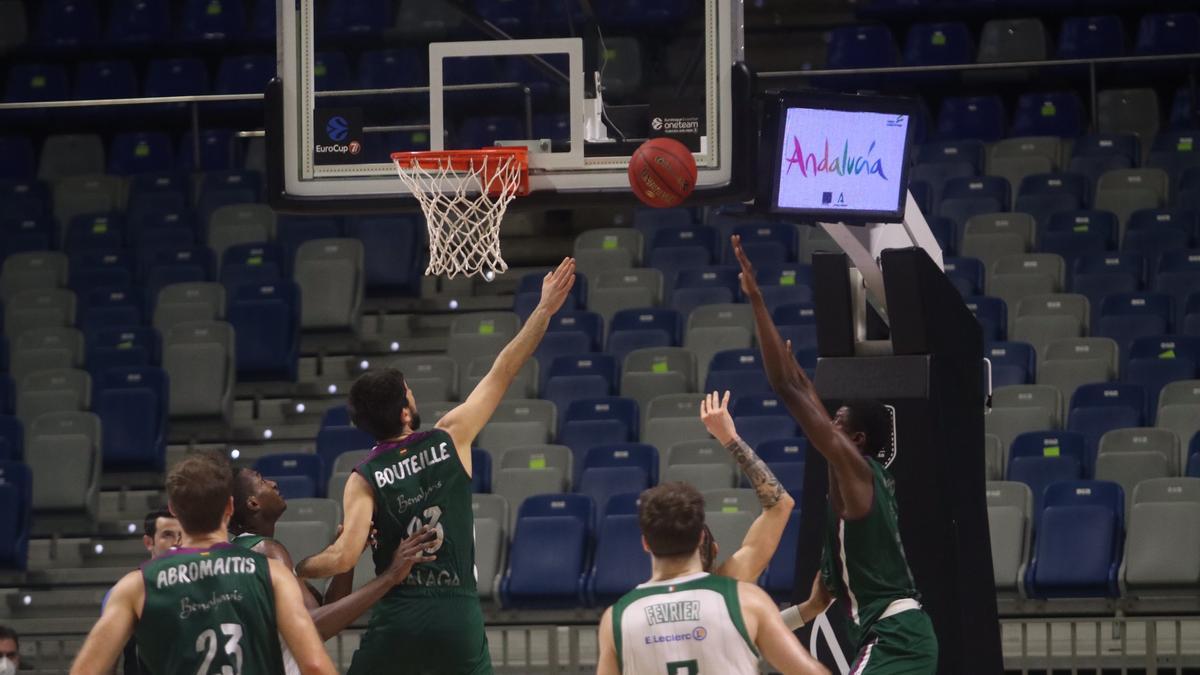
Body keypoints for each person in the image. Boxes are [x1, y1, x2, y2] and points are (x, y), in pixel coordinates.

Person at [294, 257, 578, 675]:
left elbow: (342, 557)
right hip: (456, 614)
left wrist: (300, 568)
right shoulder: (450, 436)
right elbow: (504, 370)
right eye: (409, 393)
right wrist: (543, 310)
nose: (413, 397)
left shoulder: (362, 477)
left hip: (399, 618)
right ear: (405, 413)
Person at [731, 236, 938, 674]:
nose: (828, 427)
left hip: (896, 638)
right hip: (894, 636)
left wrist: (757, 301)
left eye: (837, 423)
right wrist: (745, 639)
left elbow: (787, 390)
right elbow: (813, 605)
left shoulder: (859, 472)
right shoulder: (843, 518)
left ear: (856, 440)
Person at [70, 452, 337, 675]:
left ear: (173, 509)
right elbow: (314, 665)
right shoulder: (273, 574)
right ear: (230, 507)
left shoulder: (136, 585)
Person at [595, 482, 828, 675]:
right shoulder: (744, 599)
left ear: (645, 543)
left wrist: (807, 610)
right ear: (700, 538)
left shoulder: (617, 617)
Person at [230, 467, 437, 643]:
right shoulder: (267, 550)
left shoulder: (243, 550)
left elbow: (328, 611)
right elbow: (315, 628)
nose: (273, 483)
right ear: (253, 503)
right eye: (261, 480)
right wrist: (390, 576)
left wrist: (349, 552)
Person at [697, 389, 795, 582]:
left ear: (648, 545)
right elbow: (780, 504)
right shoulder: (727, 586)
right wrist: (729, 438)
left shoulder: (629, 606)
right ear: (715, 549)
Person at [108, 510, 183, 675]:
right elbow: (108, 659)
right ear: (149, 542)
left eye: (181, 535)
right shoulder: (128, 591)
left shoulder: (199, 586)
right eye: (168, 535)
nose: (177, 542)